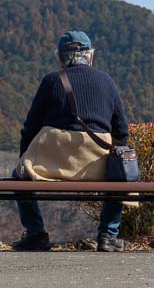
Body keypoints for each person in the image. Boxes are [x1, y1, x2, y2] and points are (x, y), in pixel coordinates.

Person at [11, 30, 131, 252]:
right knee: (119, 172)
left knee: (17, 176)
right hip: (97, 168)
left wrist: (24, 159)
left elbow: (29, 128)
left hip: (50, 167)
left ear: (60, 57)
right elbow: (122, 131)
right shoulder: (107, 81)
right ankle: (108, 235)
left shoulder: (51, 81)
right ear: (90, 56)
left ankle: (36, 233)